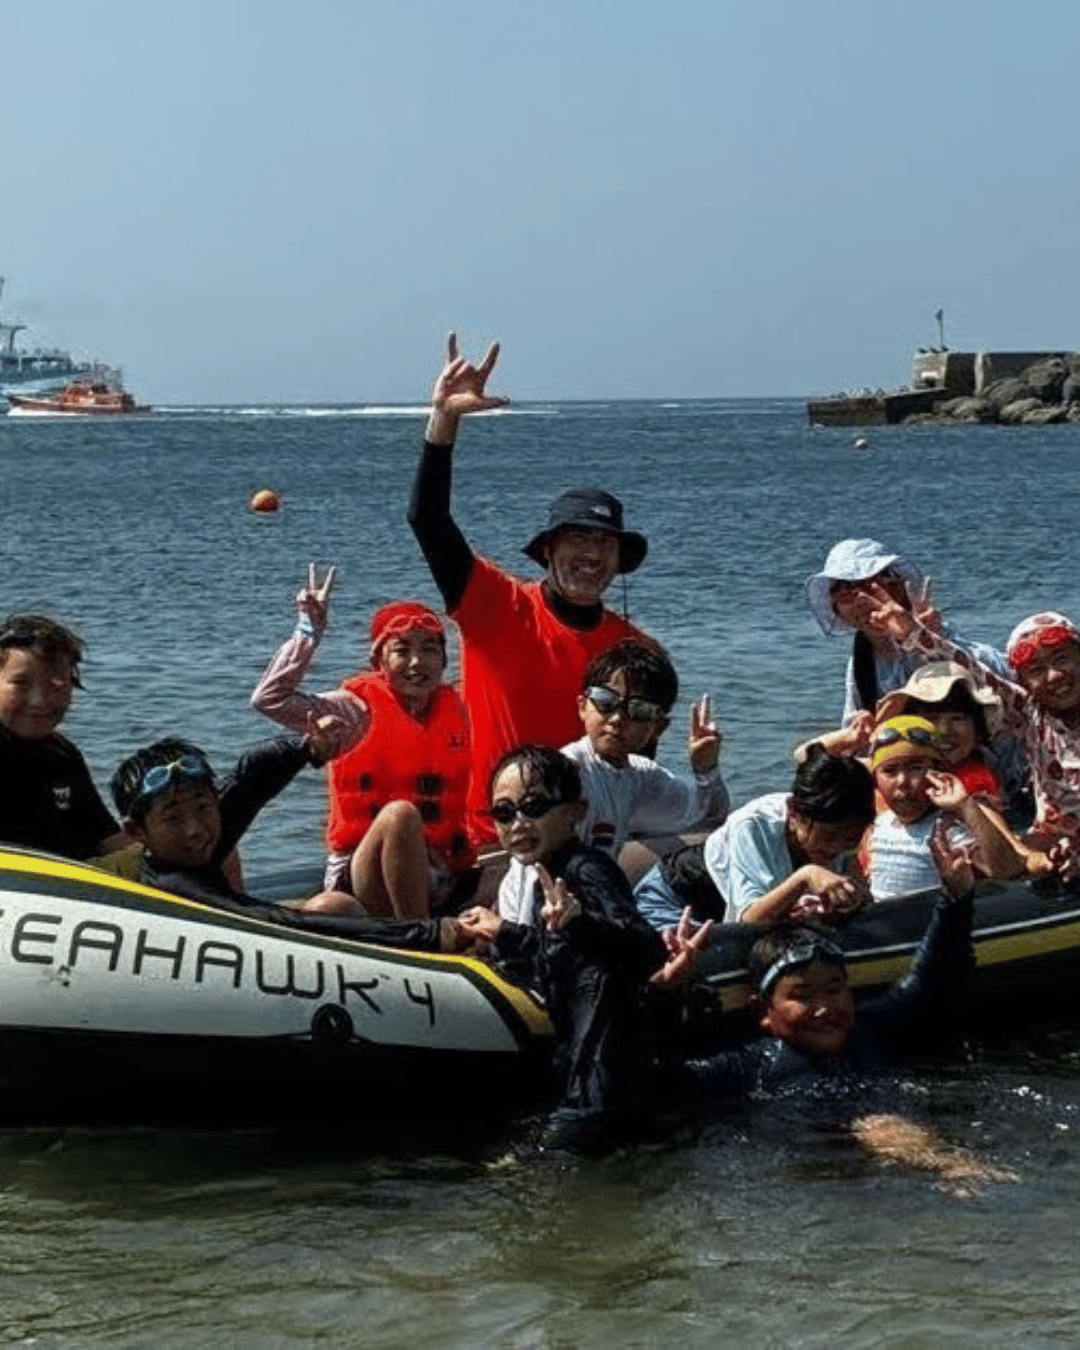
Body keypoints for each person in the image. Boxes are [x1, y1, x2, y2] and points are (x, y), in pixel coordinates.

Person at [408, 334, 650, 846]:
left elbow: (640, 769)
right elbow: (428, 519)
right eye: (578, 539)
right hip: (499, 842)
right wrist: (443, 420)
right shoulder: (495, 604)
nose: (592, 555)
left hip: (593, 843)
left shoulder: (638, 651)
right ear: (547, 550)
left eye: (605, 543)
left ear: (619, 562)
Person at [677, 842, 1014, 1193]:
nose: (824, 1007)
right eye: (802, 996)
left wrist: (955, 896)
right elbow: (658, 1078)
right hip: (814, 1176)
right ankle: (955, 1168)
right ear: (763, 1012)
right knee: (876, 1124)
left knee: (880, 1124)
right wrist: (671, 988)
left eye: (834, 989)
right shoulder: (750, 1067)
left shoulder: (868, 1029)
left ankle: (958, 1169)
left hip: (891, 1162)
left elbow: (933, 978)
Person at [456, 745, 709, 1149]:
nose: (518, 823)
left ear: (575, 812)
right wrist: (500, 937)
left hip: (607, 1084)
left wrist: (572, 921)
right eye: (504, 812)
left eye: (534, 807)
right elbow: (560, 960)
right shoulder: (543, 875)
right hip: (581, 1072)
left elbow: (641, 943)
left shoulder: (586, 868)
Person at [251, 565, 475, 919]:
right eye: (402, 650)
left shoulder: (462, 710)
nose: (417, 662)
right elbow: (269, 699)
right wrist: (308, 631)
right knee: (399, 818)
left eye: (430, 649)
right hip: (363, 871)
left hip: (441, 869)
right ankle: (418, 934)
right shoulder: (355, 710)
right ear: (379, 661)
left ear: (444, 660)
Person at [110, 735, 460, 952]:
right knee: (331, 910)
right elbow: (277, 922)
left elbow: (249, 779)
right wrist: (427, 934)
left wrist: (307, 748)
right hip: (246, 943)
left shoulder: (185, 848)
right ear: (136, 832)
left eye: (203, 808)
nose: (194, 830)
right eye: (173, 819)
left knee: (334, 906)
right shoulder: (175, 884)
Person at [863, 597, 1080, 866]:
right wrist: (912, 633)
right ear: (1023, 682)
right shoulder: (1033, 714)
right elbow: (974, 671)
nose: (1054, 676)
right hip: (1051, 842)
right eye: (1036, 670)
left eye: (1062, 659)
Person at [804, 539, 1010, 726]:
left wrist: (926, 638)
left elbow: (1001, 683)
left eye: (873, 586)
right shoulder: (862, 658)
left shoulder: (935, 634)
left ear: (901, 589)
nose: (863, 601)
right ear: (835, 607)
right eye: (846, 593)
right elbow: (853, 726)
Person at [562, 638, 729, 858]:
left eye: (638, 709)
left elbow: (707, 819)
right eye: (605, 700)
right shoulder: (566, 772)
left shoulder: (641, 777)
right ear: (583, 706)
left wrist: (706, 768)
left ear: (658, 727)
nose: (617, 718)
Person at [675, 747, 876, 927]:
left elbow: (861, 894)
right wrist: (806, 877)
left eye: (851, 839)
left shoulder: (847, 828)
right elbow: (750, 923)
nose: (837, 849)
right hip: (681, 901)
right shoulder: (753, 826)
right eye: (829, 837)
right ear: (794, 813)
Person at [0, 613, 127, 861]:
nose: (39, 701)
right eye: (21, 684)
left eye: (55, 685)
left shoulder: (62, 756)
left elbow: (108, 840)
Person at [862, 715, 1025, 902]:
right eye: (890, 771)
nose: (902, 782)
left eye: (915, 768)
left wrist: (966, 806)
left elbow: (1007, 870)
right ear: (875, 780)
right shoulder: (877, 826)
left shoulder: (947, 829)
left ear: (939, 772)